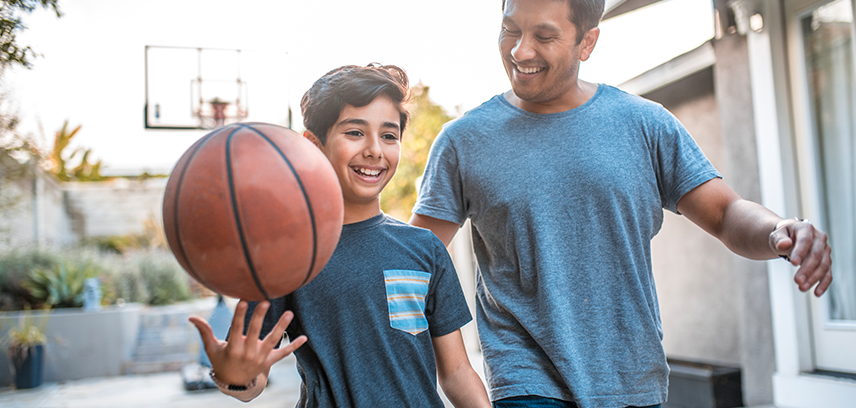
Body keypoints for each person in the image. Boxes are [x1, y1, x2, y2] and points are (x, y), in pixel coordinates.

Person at [409, 1, 833, 407]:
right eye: (511, 30)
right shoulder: (463, 142)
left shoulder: (645, 125)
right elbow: (413, 261)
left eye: (544, 35)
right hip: (526, 382)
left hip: (632, 380)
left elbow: (724, 213)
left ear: (587, 42)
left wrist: (779, 228)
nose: (521, 50)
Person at [190, 63, 492, 408]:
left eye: (389, 135)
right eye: (355, 132)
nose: (375, 150)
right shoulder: (287, 256)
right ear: (313, 146)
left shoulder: (424, 249)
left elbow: (456, 373)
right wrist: (234, 376)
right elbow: (251, 379)